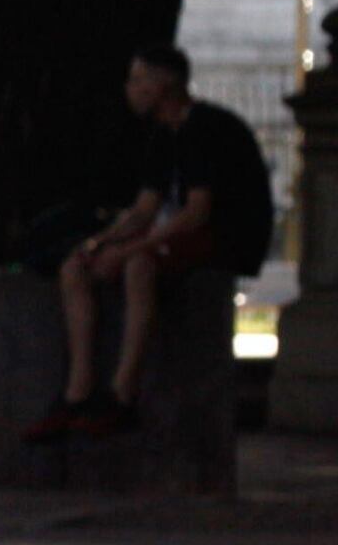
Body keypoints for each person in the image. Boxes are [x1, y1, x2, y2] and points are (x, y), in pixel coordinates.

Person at [31, 43, 274, 441]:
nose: (131, 88)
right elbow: (144, 209)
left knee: (138, 267)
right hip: (183, 233)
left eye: (140, 78)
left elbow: (197, 214)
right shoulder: (163, 136)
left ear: (167, 82)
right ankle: (77, 392)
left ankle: (122, 394)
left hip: (226, 236)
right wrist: (100, 244)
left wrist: (129, 250)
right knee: (76, 267)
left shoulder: (205, 128)